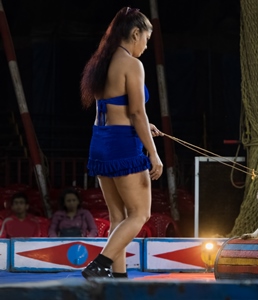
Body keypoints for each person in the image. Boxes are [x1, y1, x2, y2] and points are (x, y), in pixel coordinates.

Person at [79, 6, 163, 279]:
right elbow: (138, 113)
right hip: (123, 146)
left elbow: (117, 109)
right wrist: (153, 153)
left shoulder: (102, 61)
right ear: (135, 33)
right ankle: (99, 265)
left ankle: (118, 278)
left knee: (119, 217)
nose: (146, 47)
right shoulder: (132, 64)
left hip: (101, 142)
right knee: (140, 214)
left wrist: (145, 127)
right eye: (146, 40)